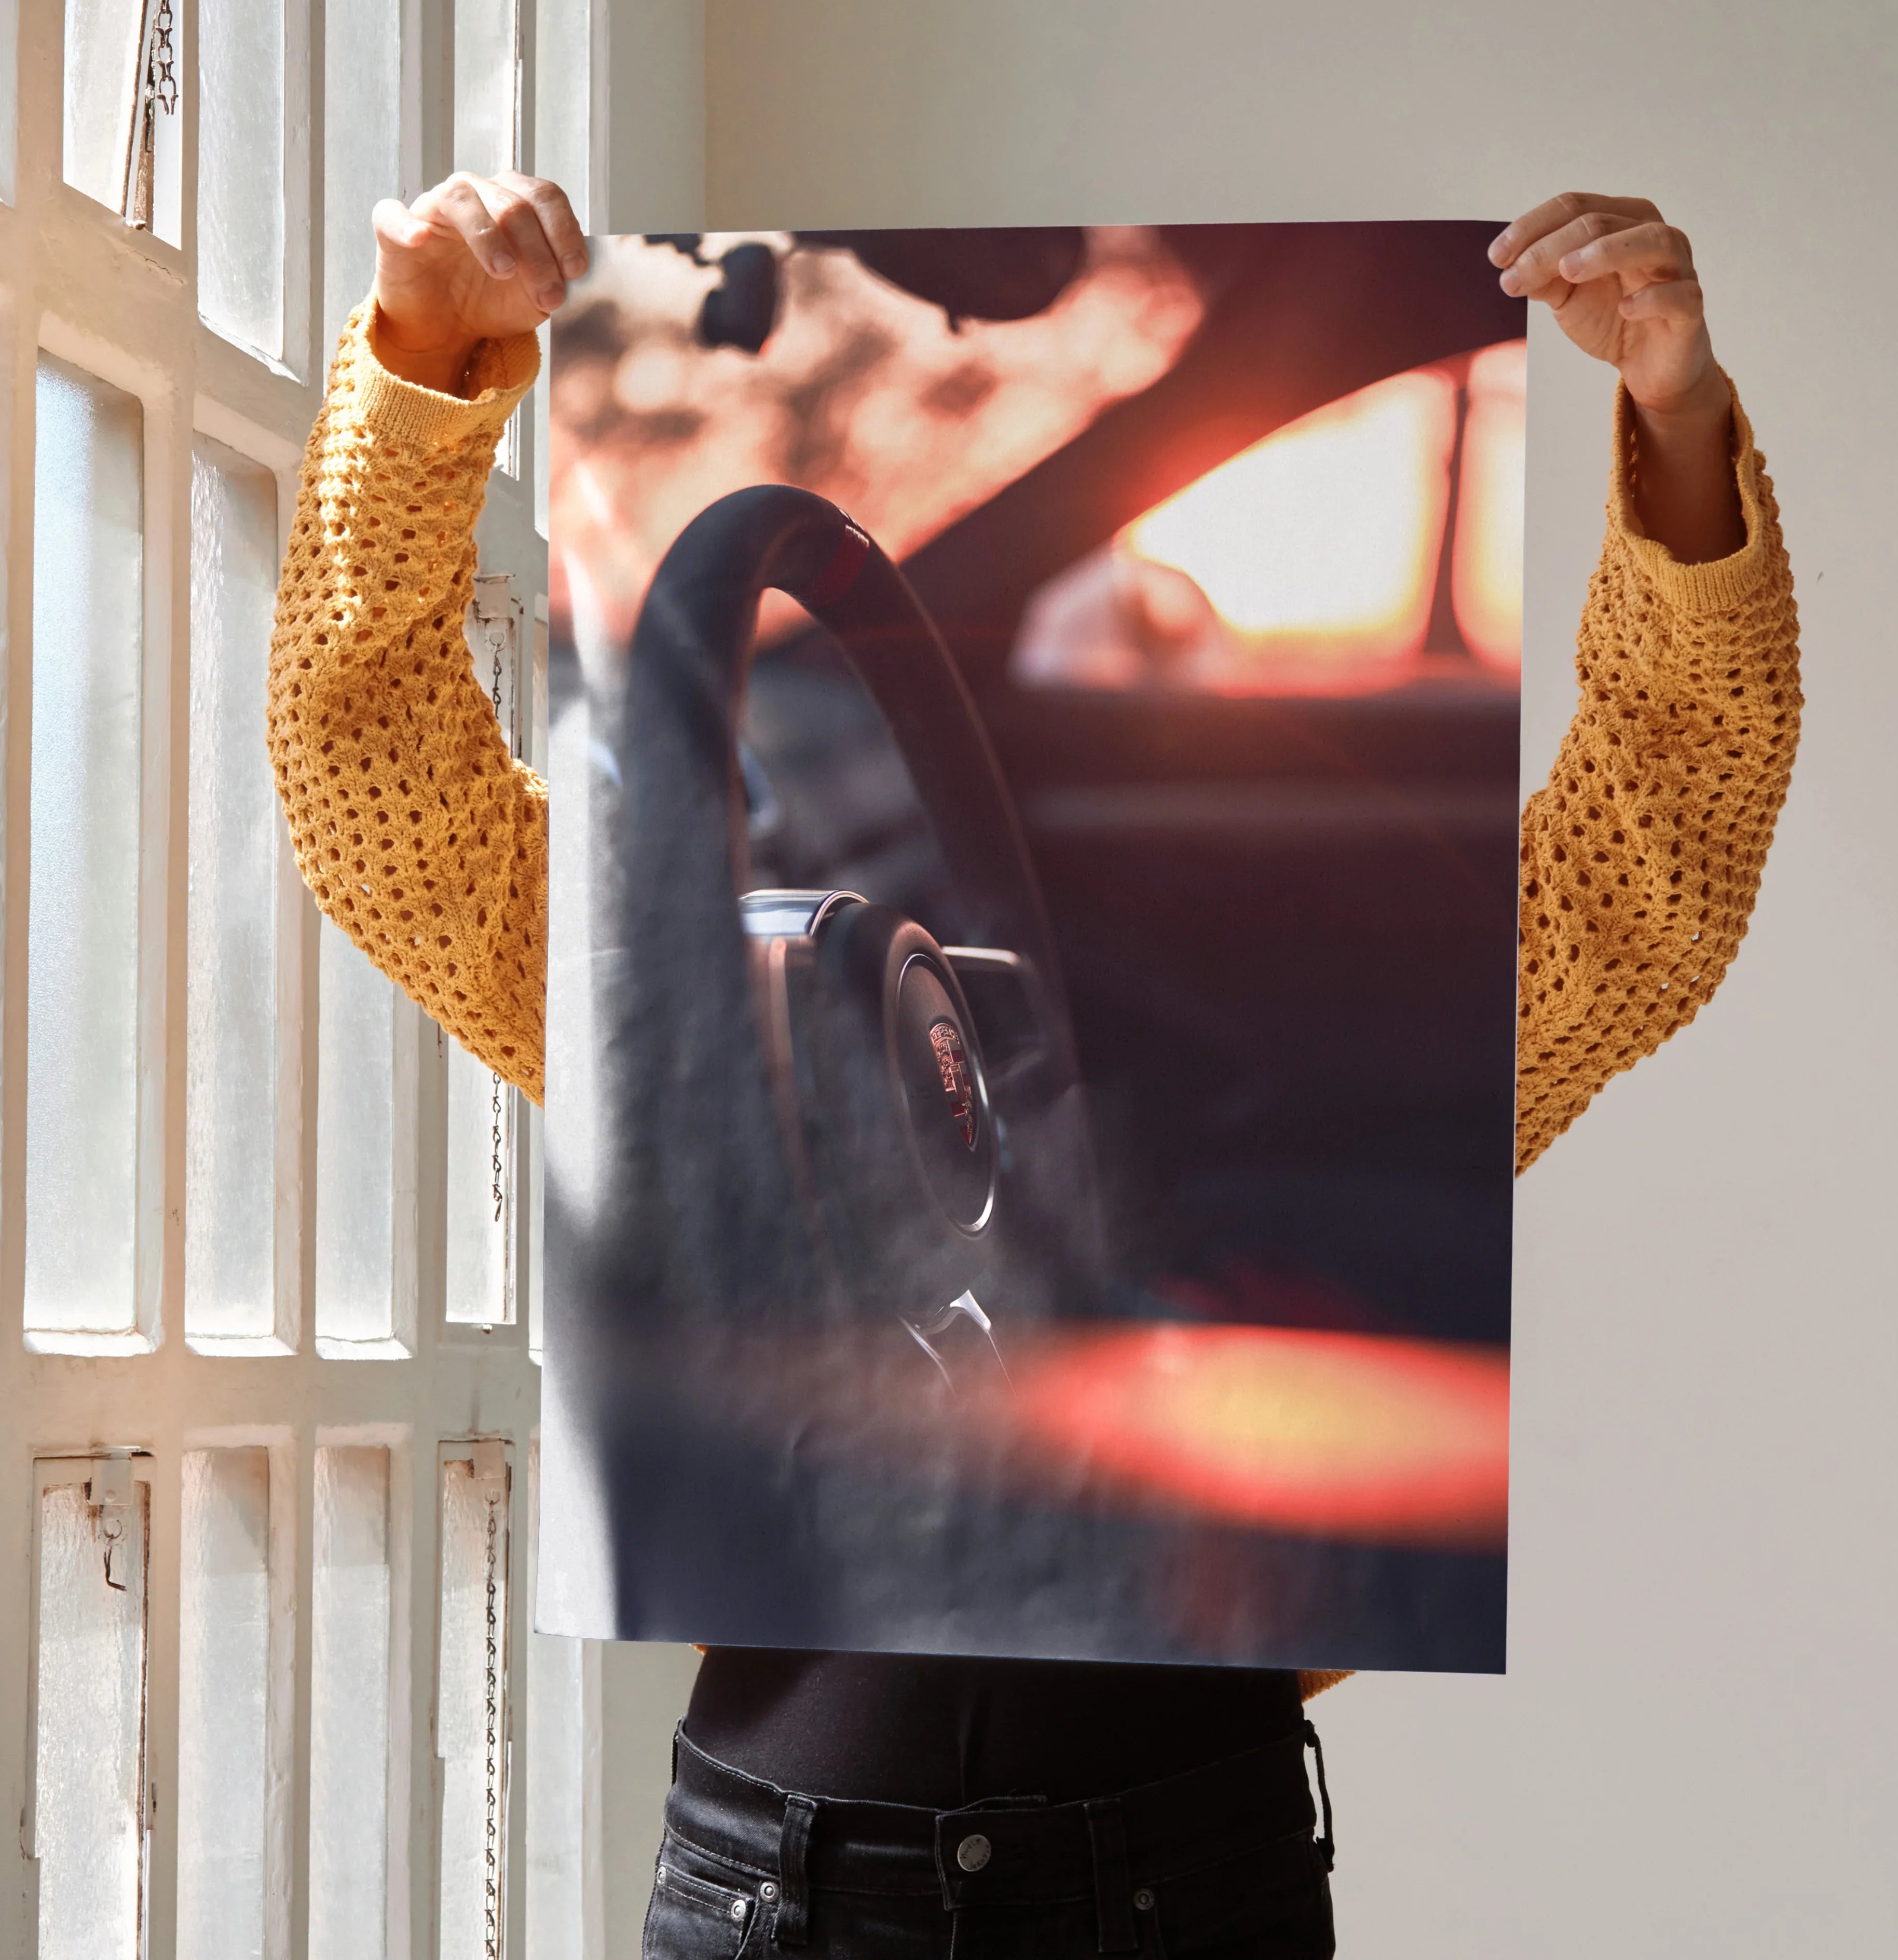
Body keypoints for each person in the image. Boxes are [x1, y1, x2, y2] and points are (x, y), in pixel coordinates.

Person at [268, 173, 1800, 1958]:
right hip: (782, 1885)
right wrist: (423, 360)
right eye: (1096, 633)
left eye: (1183, 635)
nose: (1141, 656)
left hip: (1185, 1873)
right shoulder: (713, 1011)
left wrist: (1676, 418)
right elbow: (380, 794)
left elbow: (1662, 847)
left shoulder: (1360, 1023)